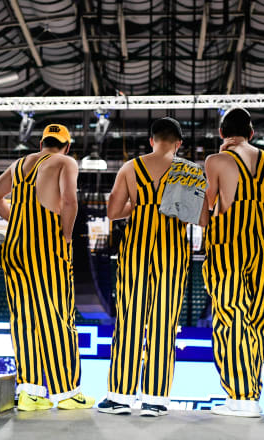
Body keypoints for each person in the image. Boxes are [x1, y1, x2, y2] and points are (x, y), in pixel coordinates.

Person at [0, 124, 94, 411]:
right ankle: (66, 393)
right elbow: (69, 201)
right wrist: (67, 235)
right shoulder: (65, 162)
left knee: (24, 320)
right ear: (67, 145)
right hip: (46, 249)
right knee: (58, 318)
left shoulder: (19, 164)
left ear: (42, 142)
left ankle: (30, 393)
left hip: (14, 249)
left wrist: (18, 219)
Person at [201, 107, 264, 417]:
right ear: (252, 134)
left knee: (230, 318)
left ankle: (240, 398)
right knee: (255, 322)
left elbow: (207, 207)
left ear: (221, 134)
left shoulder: (217, 161)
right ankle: (250, 394)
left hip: (229, 246)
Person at [98, 117, 190, 417]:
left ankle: (119, 397)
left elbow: (113, 212)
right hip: (172, 253)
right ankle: (156, 399)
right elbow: (197, 217)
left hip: (135, 251)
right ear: (178, 143)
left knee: (129, 321)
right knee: (164, 324)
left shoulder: (129, 168)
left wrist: (140, 205)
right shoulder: (189, 170)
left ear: (152, 140)